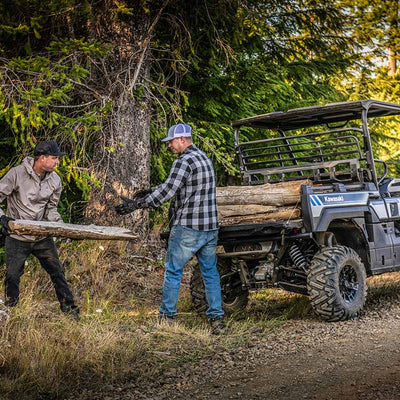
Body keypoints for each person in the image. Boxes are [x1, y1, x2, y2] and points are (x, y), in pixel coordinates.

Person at [116, 123, 226, 334]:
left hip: (188, 228)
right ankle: (217, 320)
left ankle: (166, 318)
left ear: (182, 139)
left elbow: (168, 191)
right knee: (210, 273)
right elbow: (179, 186)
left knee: (173, 271)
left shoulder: (184, 161)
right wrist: (149, 192)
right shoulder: (204, 159)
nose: (169, 146)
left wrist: (138, 204)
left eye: (171, 142)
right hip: (210, 228)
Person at [0, 141, 80, 320]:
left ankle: (71, 312)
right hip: (17, 236)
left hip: (42, 236)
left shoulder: (55, 180)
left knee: (57, 272)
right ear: (41, 158)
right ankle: (11, 313)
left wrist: (62, 228)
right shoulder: (17, 174)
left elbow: (51, 209)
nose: (57, 162)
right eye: (54, 158)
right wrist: (2, 218)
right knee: (12, 276)